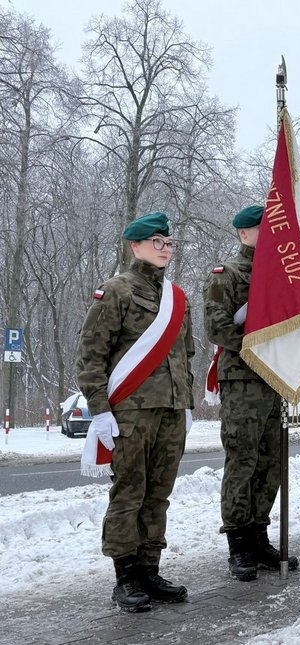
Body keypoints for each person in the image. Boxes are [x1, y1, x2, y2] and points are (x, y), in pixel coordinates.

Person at [76, 212, 193, 612]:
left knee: (158, 495)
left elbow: (186, 354)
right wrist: (99, 410)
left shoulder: (177, 298)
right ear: (135, 245)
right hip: (129, 413)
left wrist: (186, 403)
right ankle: (125, 578)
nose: (165, 248)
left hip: (171, 412)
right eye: (157, 242)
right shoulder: (116, 290)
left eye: (169, 242)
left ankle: (149, 570)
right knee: (129, 494)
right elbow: (91, 354)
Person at [204, 205, 298, 581]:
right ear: (244, 233)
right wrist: (257, 345)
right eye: (263, 228)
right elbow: (216, 326)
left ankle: (259, 536)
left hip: (274, 379)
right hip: (242, 380)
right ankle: (239, 543)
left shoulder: (282, 275)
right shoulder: (226, 274)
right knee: (243, 462)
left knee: (270, 462)